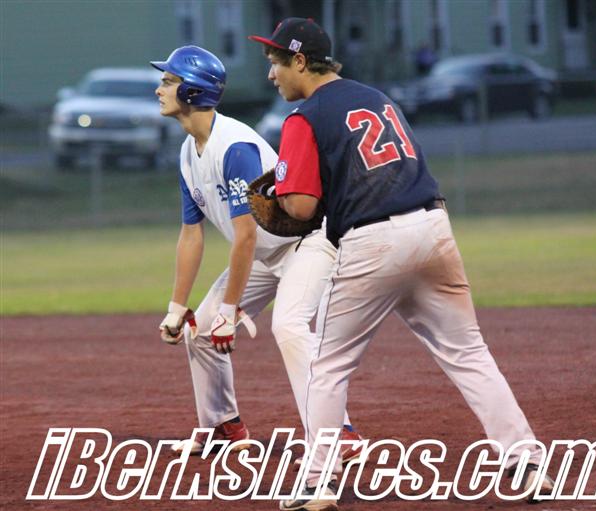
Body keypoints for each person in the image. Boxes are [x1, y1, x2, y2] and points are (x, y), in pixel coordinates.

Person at [250, 18, 555, 510]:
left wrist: (284, 198)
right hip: (433, 227)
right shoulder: (378, 98)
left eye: (276, 63)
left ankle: (317, 482)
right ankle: (528, 463)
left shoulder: (304, 117)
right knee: (469, 354)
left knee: (326, 366)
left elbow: (302, 207)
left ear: (300, 62)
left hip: (373, 242)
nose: (271, 75)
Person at [151, 45, 364, 459]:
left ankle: (338, 433)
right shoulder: (188, 153)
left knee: (290, 327)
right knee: (202, 329)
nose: (159, 89)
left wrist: (230, 310)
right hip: (266, 254)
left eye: (168, 81)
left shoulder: (235, 147)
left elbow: (245, 235)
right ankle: (223, 426)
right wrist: (177, 308)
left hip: (307, 244)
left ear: (192, 92)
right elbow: (191, 235)